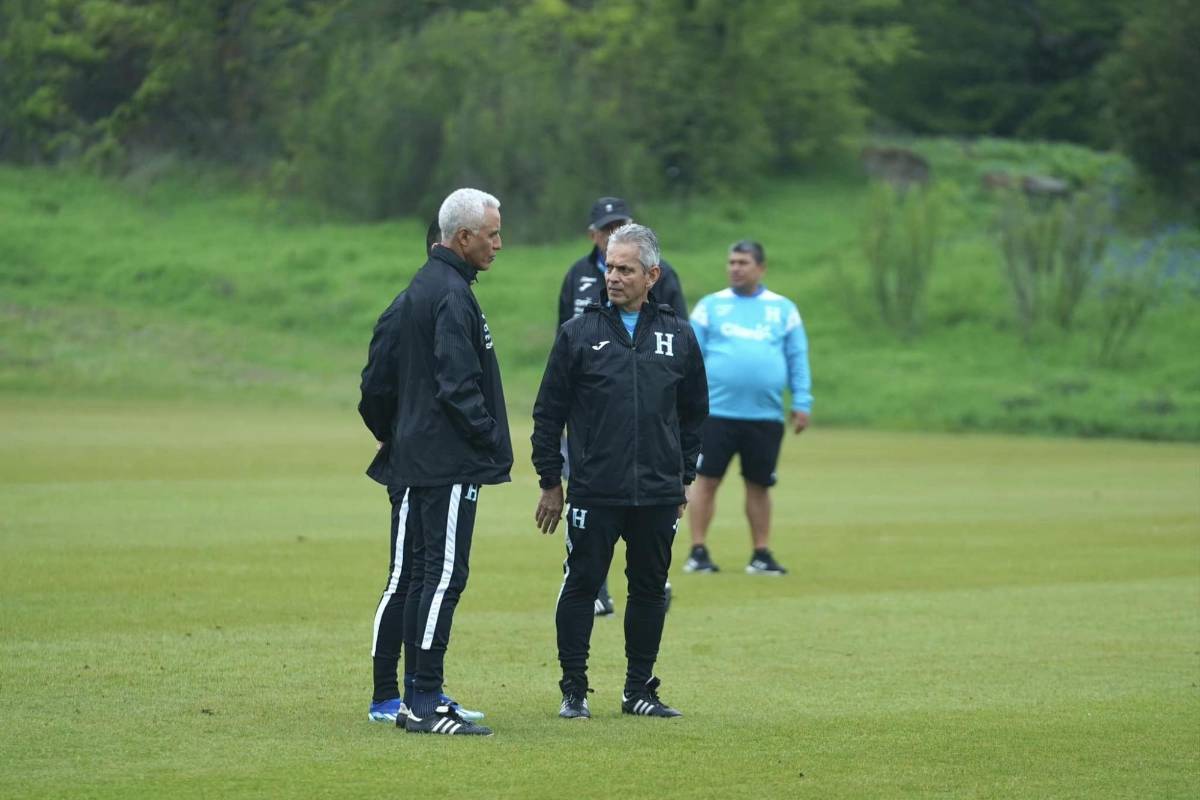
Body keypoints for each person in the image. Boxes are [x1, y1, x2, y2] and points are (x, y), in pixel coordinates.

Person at [532, 223, 708, 720]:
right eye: (609, 267)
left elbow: (694, 412)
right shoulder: (578, 333)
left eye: (625, 269)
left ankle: (638, 691)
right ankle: (574, 690)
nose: (612, 277)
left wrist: (683, 477)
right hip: (594, 489)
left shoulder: (677, 335)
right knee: (581, 585)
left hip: (656, 491)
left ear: (652, 275)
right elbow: (548, 413)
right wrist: (551, 480)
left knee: (650, 589)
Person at [358, 188, 513, 736]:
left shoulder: (428, 288)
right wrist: (487, 436)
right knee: (438, 575)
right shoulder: (446, 294)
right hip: (441, 461)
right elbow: (454, 384)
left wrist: (398, 435)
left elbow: (378, 387)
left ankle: (407, 694)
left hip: (420, 455)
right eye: (491, 233)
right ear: (463, 237)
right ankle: (418, 701)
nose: (499, 242)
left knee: (416, 574)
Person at [557, 196, 688, 616]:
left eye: (620, 225)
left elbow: (679, 341)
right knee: (591, 499)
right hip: (594, 417)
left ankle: (656, 575)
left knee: (652, 496)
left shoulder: (660, 275)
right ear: (592, 234)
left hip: (648, 410)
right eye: (605, 228)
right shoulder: (577, 276)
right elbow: (566, 336)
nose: (612, 234)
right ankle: (594, 586)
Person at [684, 240, 812, 576]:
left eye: (742, 262)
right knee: (706, 481)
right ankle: (698, 551)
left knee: (759, 484)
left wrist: (802, 401)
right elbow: (689, 356)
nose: (735, 268)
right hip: (715, 414)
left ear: (761, 268)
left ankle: (760, 553)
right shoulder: (710, 307)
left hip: (764, 415)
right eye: (731, 262)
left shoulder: (782, 309)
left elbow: (796, 357)